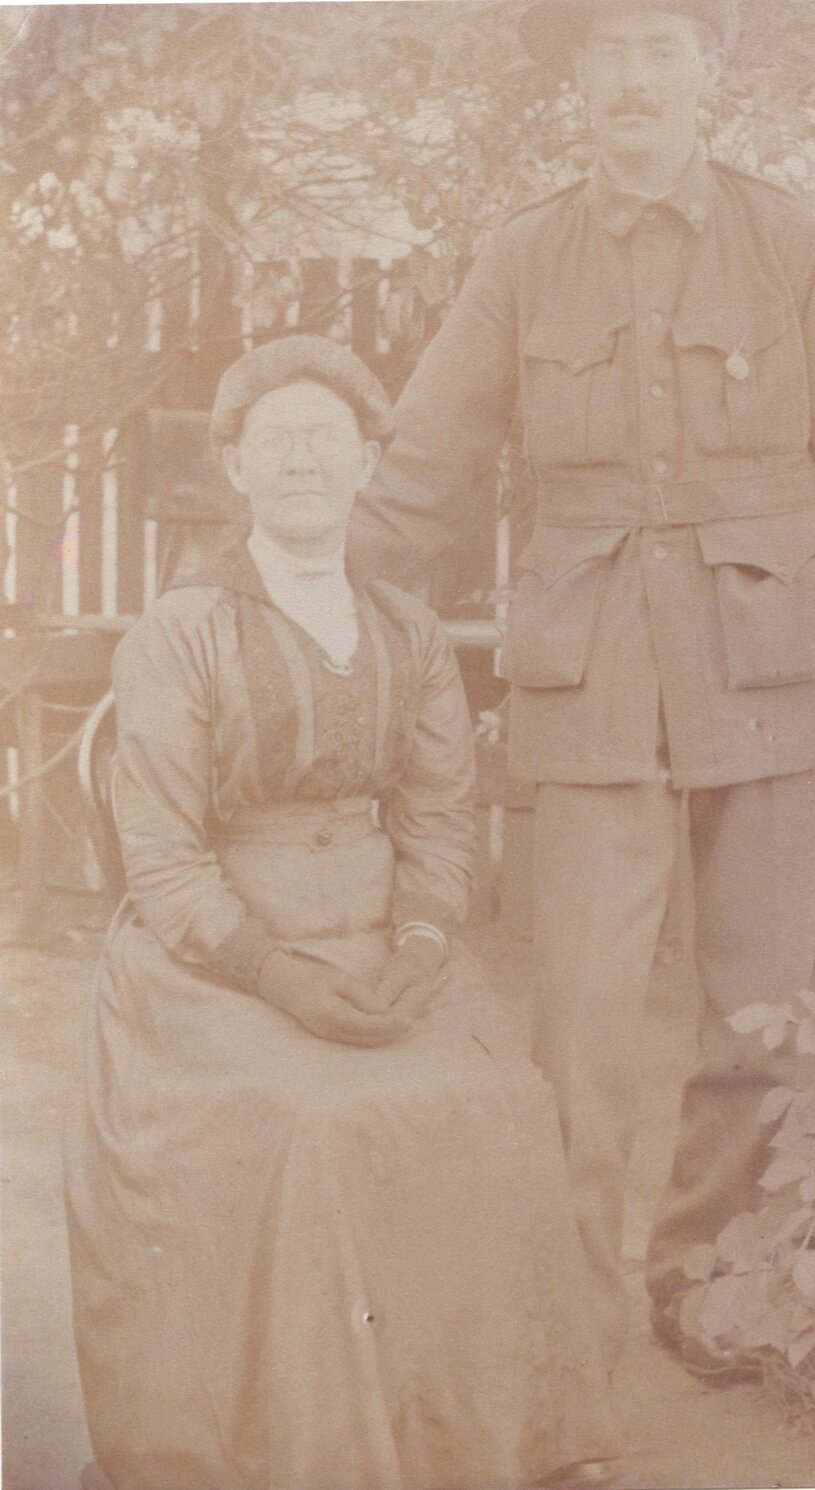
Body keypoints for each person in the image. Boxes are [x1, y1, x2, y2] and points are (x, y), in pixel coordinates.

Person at [349, 0, 815, 1377]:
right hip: (593, 677)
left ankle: (708, 1279)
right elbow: (425, 461)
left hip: (779, 673)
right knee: (583, 1020)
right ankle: (575, 1300)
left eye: (659, 47)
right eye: (606, 53)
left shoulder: (786, 240)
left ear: (702, 73)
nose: (632, 78)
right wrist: (314, 602)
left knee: (761, 1006)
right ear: (577, 84)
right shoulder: (524, 256)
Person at [63, 334, 618, 1490]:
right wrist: (278, 972)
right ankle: (319, 1454)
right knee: (311, 1126)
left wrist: (422, 937)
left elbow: (436, 816)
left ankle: (476, 1447)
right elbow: (161, 862)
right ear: (238, 470)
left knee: (499, 1100)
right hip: (209, 963)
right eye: (278, 441)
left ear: (369, 463)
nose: (304, 459)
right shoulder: (183, 629)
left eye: (328, 439)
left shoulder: (407, 628)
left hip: (373, 940)